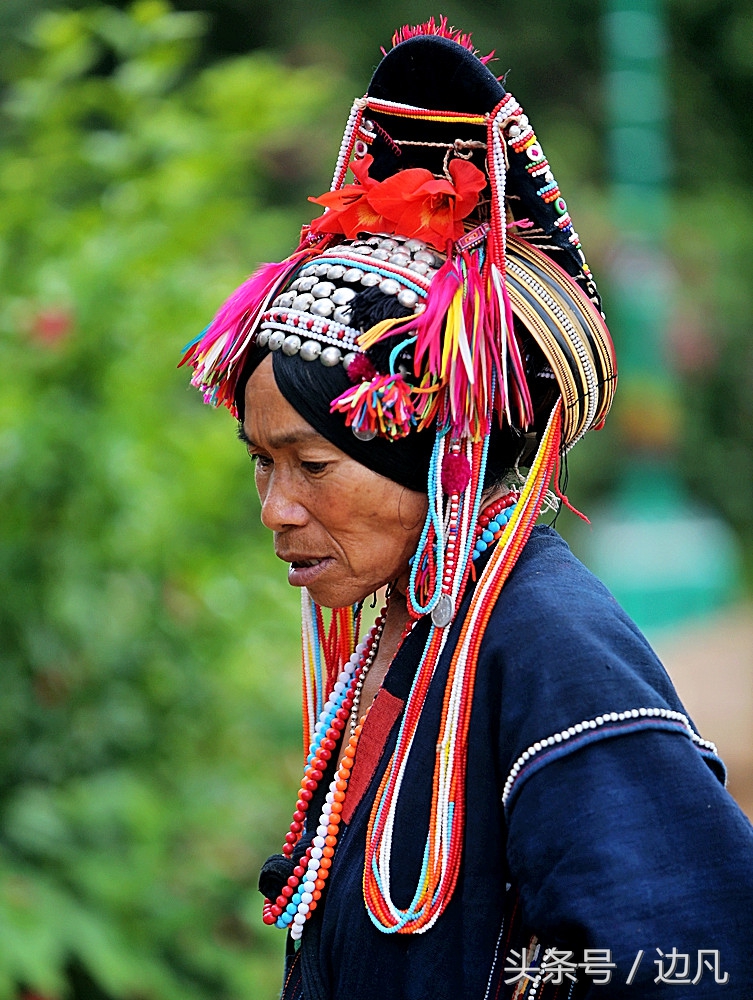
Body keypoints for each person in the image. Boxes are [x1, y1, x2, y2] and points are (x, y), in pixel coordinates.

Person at [182, 20, 753, 999]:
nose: (277, 509)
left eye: (312, 463)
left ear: (440, 452)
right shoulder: (408, 626)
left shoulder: (552, 645)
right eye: (261, 465)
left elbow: (690, 958)